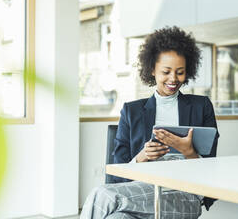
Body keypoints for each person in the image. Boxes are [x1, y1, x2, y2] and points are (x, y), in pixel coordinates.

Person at [81, 26, 219, 219]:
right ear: (152, 69)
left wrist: (188, 151)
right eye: (166, 71)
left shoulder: (201, 106)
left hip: (185, 195)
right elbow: (117, 173)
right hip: (141, 189)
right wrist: (142, 156)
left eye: (180, 72)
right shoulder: (132, 111)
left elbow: (211, 170)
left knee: (102, 195)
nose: (173, 79)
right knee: (117, 217)